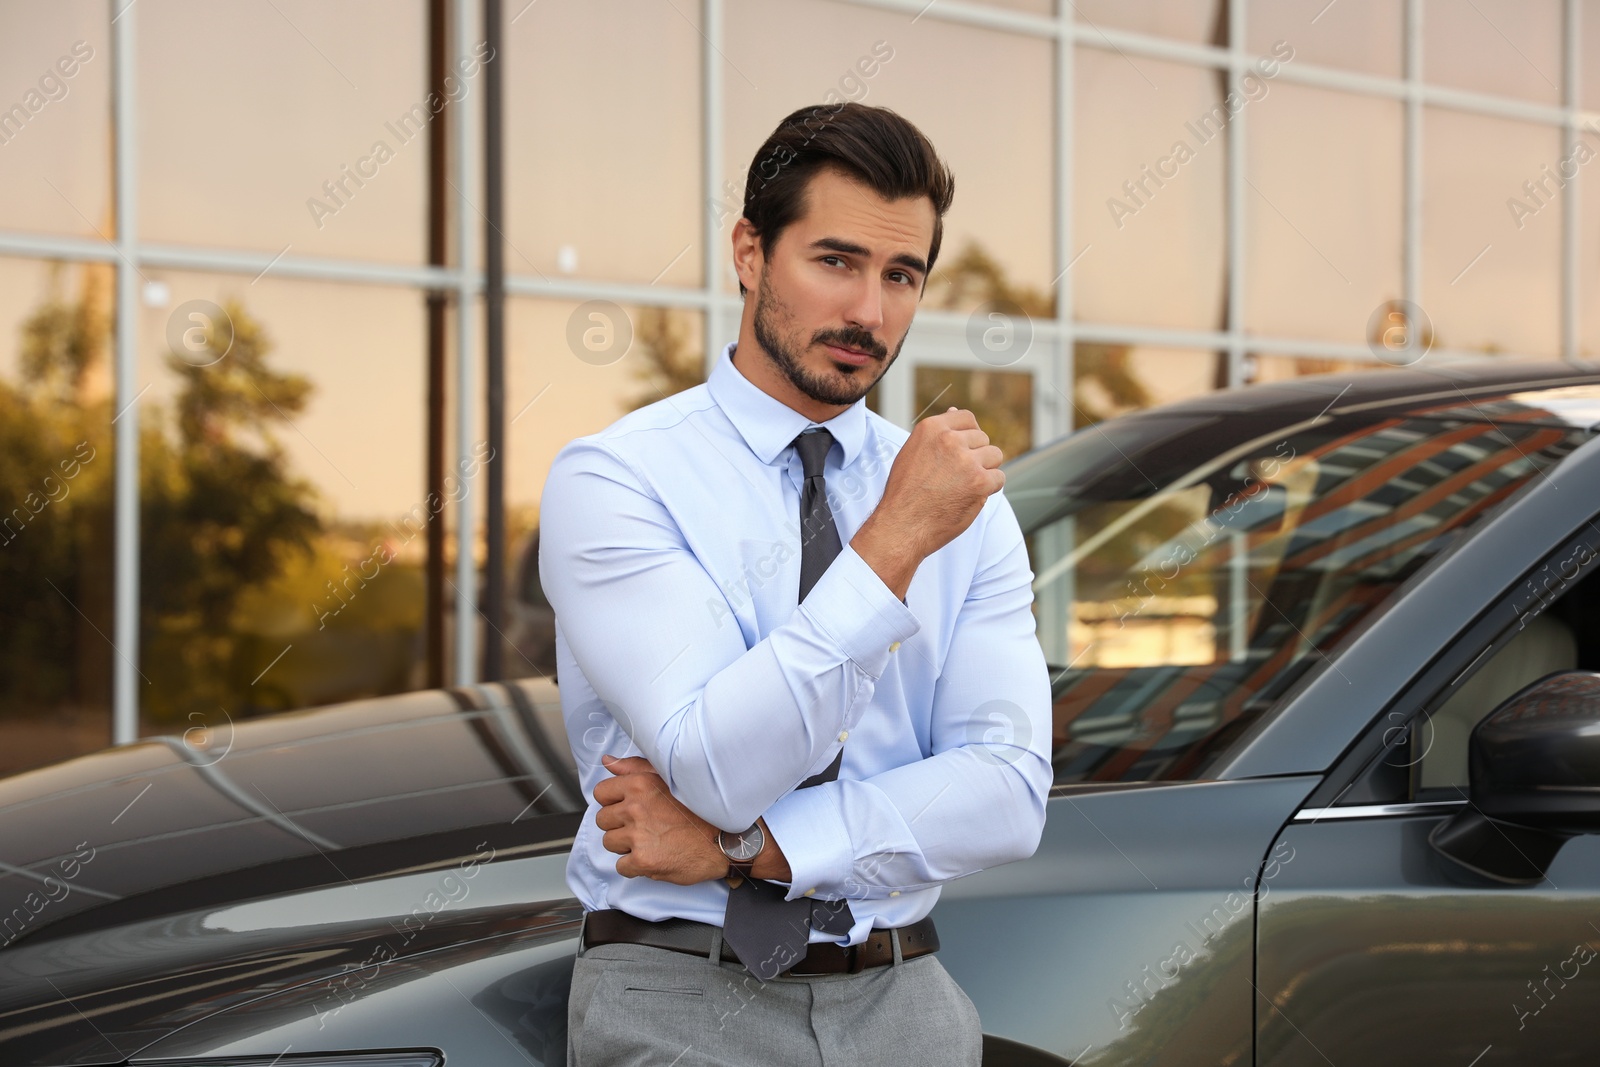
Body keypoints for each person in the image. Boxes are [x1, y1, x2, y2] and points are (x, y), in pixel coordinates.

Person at [539, 100, 1052, 1066]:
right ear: (750, 251)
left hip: (909, 1002)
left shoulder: (964, 503)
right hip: (678, 997)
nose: (870, 311)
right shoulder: (620, 478)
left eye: (902, 275)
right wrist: (892, 542)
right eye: (836, 261)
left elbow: (1009, 792)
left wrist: (748, 850)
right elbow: (718, 766)